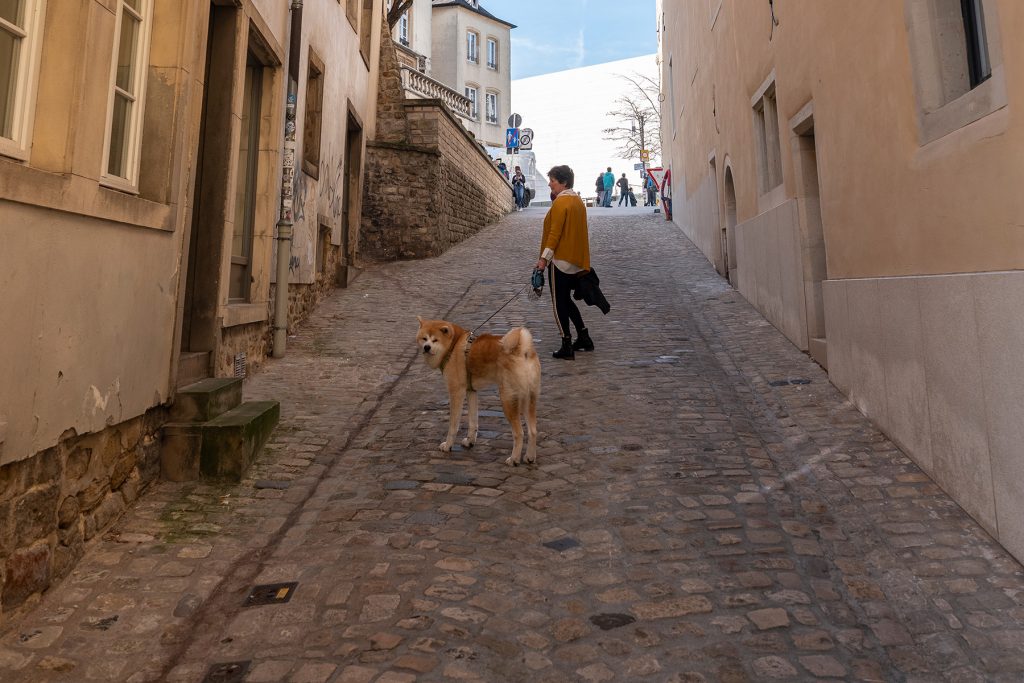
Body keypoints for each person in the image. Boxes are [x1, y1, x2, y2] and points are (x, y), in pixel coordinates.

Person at [535, 165, 595, 360]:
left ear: (564, 182)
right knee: (566, 300)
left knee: (559, 303)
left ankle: (566, 342)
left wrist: (544, 259)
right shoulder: (577, 201)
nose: (550, 183)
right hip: (575, 261)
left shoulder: (561, 203)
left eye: (552, 180)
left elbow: (555, 234)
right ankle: (584, 336)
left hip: (560, 260)